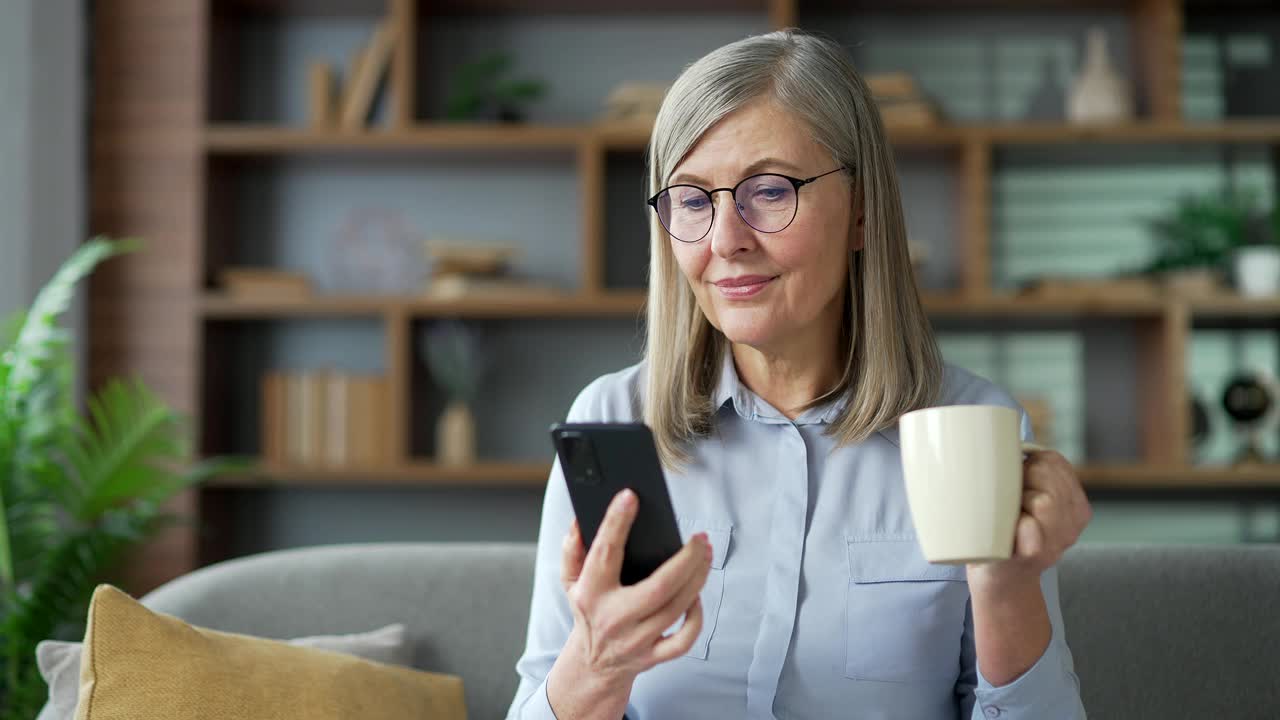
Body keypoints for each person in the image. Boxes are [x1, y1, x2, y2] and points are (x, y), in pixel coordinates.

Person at [506, 29, 1090, 720]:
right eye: (693, 201)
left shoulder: (971, 431)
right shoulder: (612, 420)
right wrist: (597, 661)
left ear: (863, 212)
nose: (726, 241)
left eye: (770, 190)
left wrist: (1007, 587)